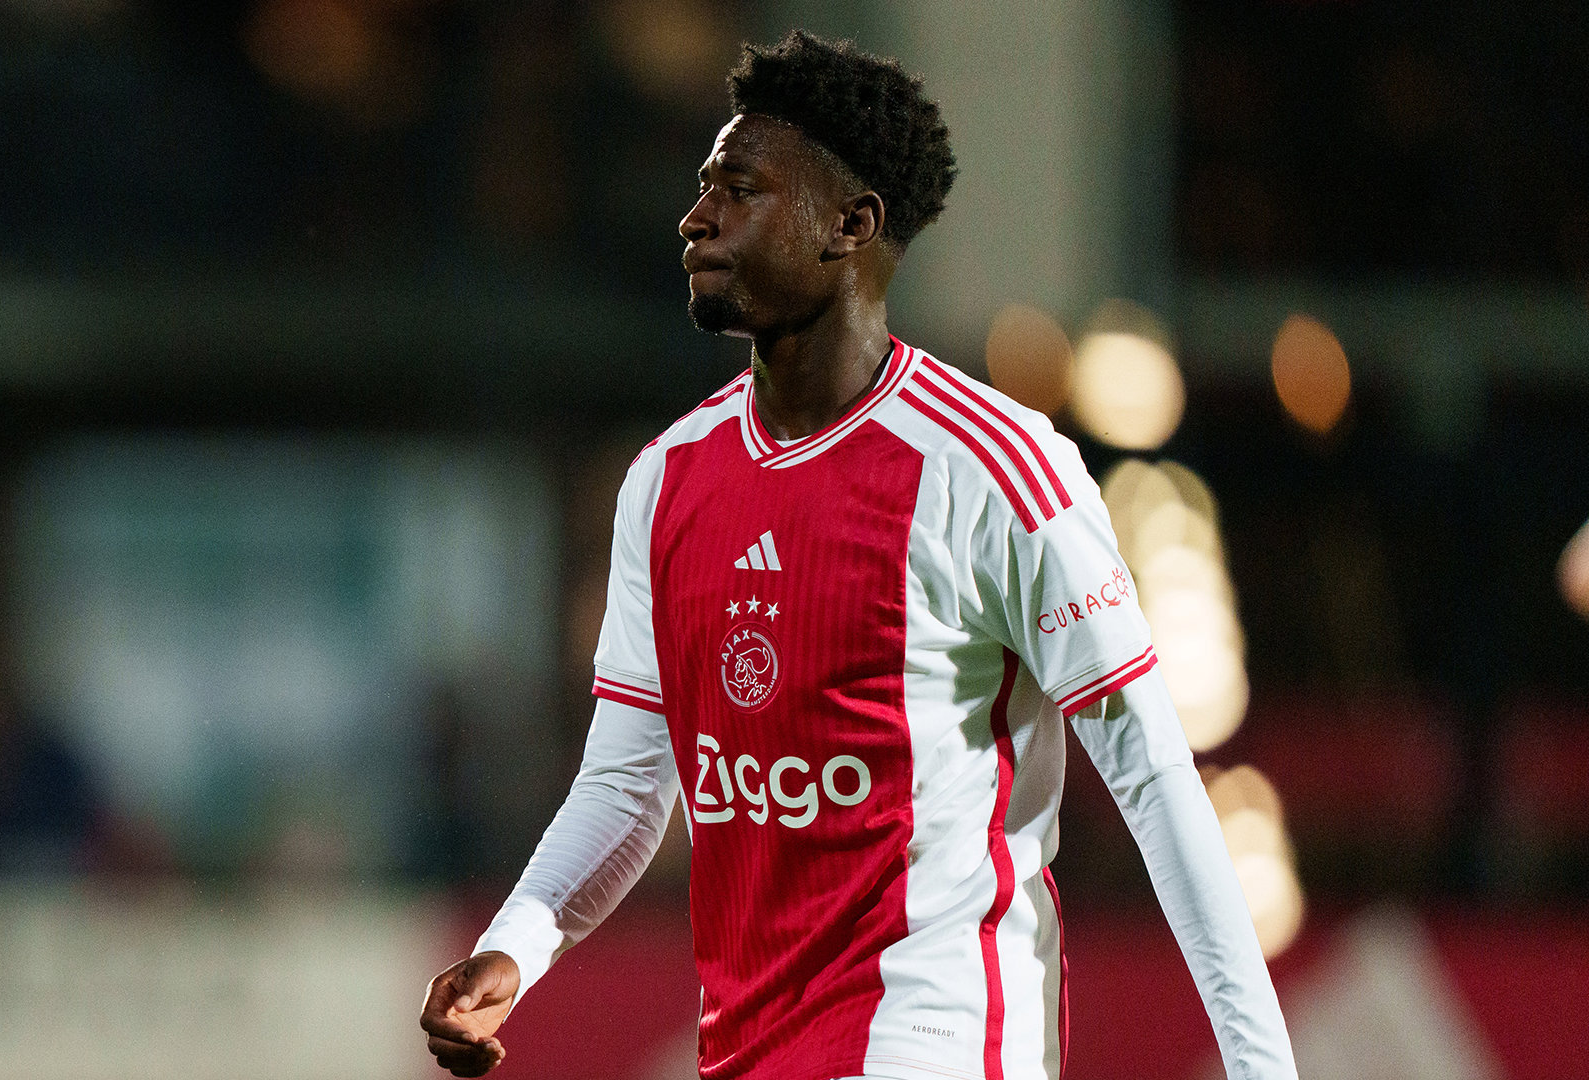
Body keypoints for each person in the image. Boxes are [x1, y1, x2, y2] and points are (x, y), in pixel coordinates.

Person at [419, 30, 1299, 1080]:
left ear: (851, 224)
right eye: (703, 188)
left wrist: (1262, 1067)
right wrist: (515, 947)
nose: (696, 217)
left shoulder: (995, 472)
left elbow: (1154, 777)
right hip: (750, 1052)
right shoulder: (667, 482)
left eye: (739, 189)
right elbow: (628, 782)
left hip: (939, 1042)